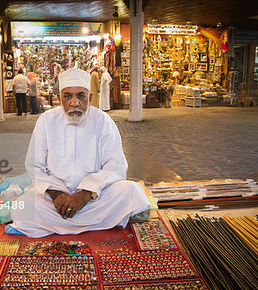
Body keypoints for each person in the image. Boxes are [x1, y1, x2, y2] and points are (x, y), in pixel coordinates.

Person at [8, 68, 151, 237]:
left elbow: (116, 166)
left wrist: (85, 194)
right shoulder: (46, 121)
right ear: (60, 99)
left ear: (90, 98)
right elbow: (34, 166)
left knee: (132, 191)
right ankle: (97, 222)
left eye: (80, 96)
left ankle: (60, 223)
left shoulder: (102, 121)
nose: (74, 103)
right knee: (23, 207)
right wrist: (55, 194)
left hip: (94, 197)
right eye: (68, 96)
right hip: (56, 198)